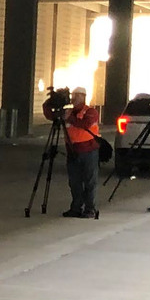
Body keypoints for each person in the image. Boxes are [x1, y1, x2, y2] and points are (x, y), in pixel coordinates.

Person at [42, 85, 102, 218]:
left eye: (77, 96)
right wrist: (49, 103)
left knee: (89, 181)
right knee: (74, 181)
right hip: (73, 151)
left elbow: (85, 124)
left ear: (83, 97)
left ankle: (89, 208)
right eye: (73, 96)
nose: (73, 98)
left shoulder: (91, 111)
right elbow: (50, 115)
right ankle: (76, 207)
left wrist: (69, 118)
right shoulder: (68, 112)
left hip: (89, 151)